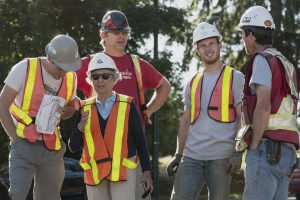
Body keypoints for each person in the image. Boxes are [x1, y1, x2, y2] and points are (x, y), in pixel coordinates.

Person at [75, 10, 171, 198]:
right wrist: (77, 107)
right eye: (116, 32)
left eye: (124, 32)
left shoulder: (136, 64)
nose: (121, 36)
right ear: (103, 34)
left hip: (131, 153)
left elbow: (164, 87)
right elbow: (65, 86)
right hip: (99, 153)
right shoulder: (89, 63)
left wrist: (147, 112)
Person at [166, 22, 245, 200]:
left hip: (222, 158)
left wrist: (237, 152)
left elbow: (243, 118)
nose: (208, 49)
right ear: (197, 50)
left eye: (211, 43)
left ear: (220, 45)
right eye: (203, 45)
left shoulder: (236, 78)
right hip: (191, 156)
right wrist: (178, 155)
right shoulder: (192, 81)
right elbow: (185, 121)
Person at [0, 34, 81, 200]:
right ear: (50, 58)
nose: (63, 73)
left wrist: (69, 111)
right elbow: (2, 105)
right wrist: (16, 140)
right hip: (23, 144)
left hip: (53, 148)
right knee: (17, 196)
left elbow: (72, 106)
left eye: (67, 69)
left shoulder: (71, 78)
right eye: (60, 68)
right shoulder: (25, 68)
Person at [69, 53, 153, 200]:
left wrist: (146, 172)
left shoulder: (128, 104)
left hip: (123, 171)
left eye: (105, 76)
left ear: (114, 78)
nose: (100, 80)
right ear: (91, 80)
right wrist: (80, 128)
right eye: (95, 77)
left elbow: (140, 141)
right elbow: (73, 146)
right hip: (95, 174)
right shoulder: (84, 108)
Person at [236, 5, 299, 199]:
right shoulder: (286, 64)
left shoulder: (262, 60)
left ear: (252, 35)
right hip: (287, 152)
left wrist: (253, 147)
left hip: (266, 149)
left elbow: (263, 106)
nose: (243, 40)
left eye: (243, 35)